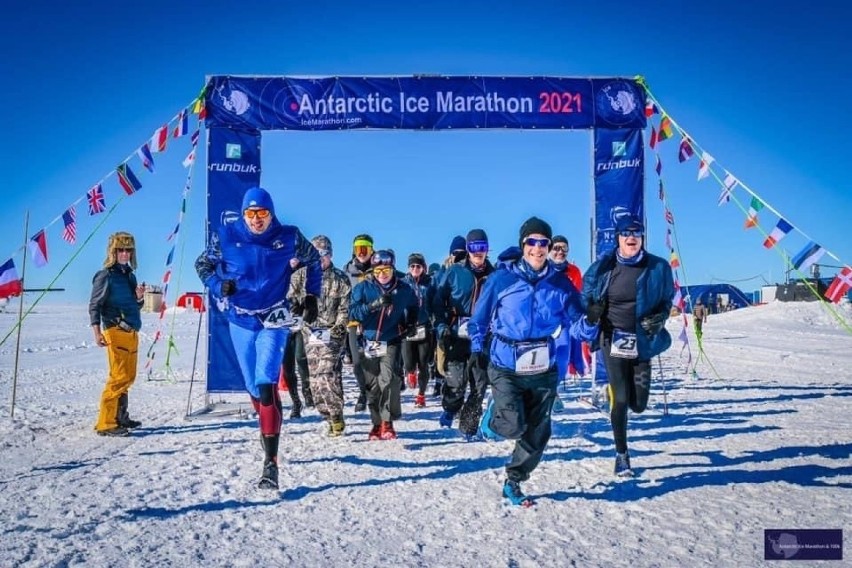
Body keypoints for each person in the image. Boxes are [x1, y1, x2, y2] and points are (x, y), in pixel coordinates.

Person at [195, 187, 321, 490]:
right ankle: (266, 420)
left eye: (262, 214)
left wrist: (312, 296)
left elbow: (314, 260)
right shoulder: (225, 235)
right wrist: (216, 284)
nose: (256, 220)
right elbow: (203, 265)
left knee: (266, 382)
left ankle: (270, 463)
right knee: (253, 386)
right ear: (243, 214)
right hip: (240, 318)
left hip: (274, 318)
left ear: (271, 213)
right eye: (250, 214)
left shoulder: (289, 236)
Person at [469, 217, 594, 505]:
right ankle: (495, 416)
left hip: (542, 365)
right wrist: (478, 350)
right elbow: (479, 320)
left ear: (549, 247)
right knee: (512, 425)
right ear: (522, 245)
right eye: (532, 242)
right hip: (505, 363)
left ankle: (514, 480)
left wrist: (591, 322)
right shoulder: (502, 279)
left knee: (539, 431)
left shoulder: (560, 284)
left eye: (543, 243)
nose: (537, 248)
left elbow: (576, 323)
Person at [582, 213, 673, 477]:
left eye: (636, 233)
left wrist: (660, 317)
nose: (631, 237)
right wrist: (592, 312)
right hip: (613, 340)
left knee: (639, 405)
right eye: (626, 233)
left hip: (642, 341)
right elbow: (584, 297)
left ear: (642, 237)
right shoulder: (603, 268)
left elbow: (667, 299)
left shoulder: (658, 267)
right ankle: (622, 454)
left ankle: (624, 409)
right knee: (620, 399)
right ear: (618, 238)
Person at [349, 250, 419, 440]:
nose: (382, 274)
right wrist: (373, 306)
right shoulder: (363, 288)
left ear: (393, 269)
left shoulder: (403, 289)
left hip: (391, 339)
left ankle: (387, 422)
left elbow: (415, 306)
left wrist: (411, 322)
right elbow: (352, 312)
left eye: (386, 270)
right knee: (372, 386)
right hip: (369, 341)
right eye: (378, 270)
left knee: (387, 379)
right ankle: (376, 424)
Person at [432, 228, 495, 437]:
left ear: (487, 250)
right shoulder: (455, 272)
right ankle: (450, 409)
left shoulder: (493, 276)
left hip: (482, 337)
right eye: (474, 247)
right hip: (455, 334)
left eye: (482, 247)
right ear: (468, 249)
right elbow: (438, 302)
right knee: (457, 381)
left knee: (479, 383)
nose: (478, 252)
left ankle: (468, 426)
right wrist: (441, 325)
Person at [289, 235, 352, 436]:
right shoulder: (301, 276)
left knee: (326, 373)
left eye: (324, 254)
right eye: (316, 255)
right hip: (310, 333)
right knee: (315, 380)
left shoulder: (341, 279)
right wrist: (296, 307)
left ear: (330, 255)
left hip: (333, 333)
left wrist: (340, 326)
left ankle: (336, 414)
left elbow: (345, 307)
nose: (321, 258)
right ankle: (327, 415)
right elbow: (290, 298)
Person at [89, 232, 146, 437]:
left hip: (131, 331)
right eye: (120, 250)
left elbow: (134, 306)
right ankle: (106, 423)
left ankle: (121, 416)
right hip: (115, 330)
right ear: (113, 252)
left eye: (128, 250)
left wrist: (138, 298)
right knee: (118, 376)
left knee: (129, 376)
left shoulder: (129, 275)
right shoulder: (106, 275)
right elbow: (95, 305)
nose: (124, 254)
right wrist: (97, 332)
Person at [342, 233, 375, 412]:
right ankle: (363, 393)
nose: (362, 252)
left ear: (371, 250)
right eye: (358, 249)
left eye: (365, 249)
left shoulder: (379, 268)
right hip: (353, 322)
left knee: (374, 358)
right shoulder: (347, 271)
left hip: (373, 322)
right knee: (357, 361)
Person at [549, 234, 589, 378]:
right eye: (556, 248)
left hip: (567, 321)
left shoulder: (574, 271)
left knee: (563, 357)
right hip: (547, 321)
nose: (560, 252)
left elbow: (578, 296)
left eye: (564, 248)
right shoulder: (544, 269)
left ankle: (554, 391)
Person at [402, 253, 435, 408]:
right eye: (412, 266)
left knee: (424, 364)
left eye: (418, 266)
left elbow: (436, 301)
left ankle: (421, 395)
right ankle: (410, 372)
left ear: (423, 268)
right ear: (409, 268)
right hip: (407, 329)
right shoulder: (402, 283)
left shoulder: (430, 283)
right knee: (409, 362)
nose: (415, 269)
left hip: (424, 328)